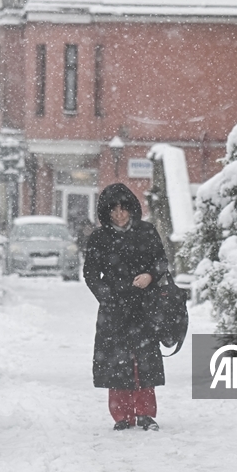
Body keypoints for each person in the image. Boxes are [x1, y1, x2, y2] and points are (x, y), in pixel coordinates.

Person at [83, 183, 169, 431]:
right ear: (106, 212)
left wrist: (150, 276)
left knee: (144, 361)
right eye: (113, 210)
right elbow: (90, 273)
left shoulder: (147, 232)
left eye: (123, 208)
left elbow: (161, 262)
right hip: (114, 309)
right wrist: (107, 296)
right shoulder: (99, 238)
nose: (119, 214)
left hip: (144, 306)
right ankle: (121, 416)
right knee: (117, 362)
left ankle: (145, 413)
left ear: (132, 208)